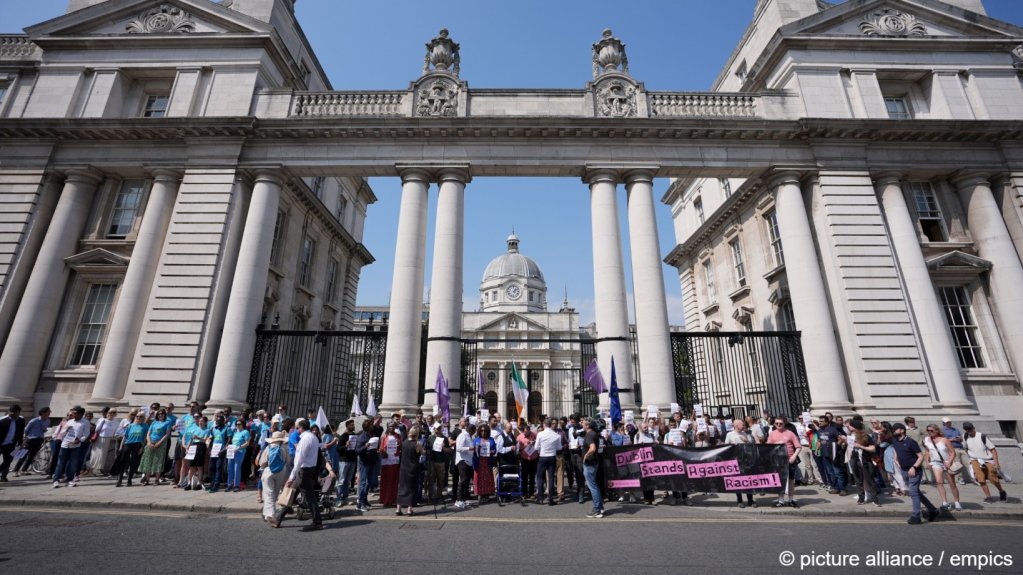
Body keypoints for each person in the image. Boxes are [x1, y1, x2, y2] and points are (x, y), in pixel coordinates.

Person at [283, 418, 328, 531]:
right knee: (294, 492)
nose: (297, 430)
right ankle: (279, 517)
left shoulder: (304, 439)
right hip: (310, 470)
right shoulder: (314, 438)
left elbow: (299, 460)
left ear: (301, 428)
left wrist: (291, 477)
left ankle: (317, 522)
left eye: (298, 428)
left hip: (303, 471)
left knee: (309, 497)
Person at [891, 423, 939, 525]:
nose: (894, 431)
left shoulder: (911, 442)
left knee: (913, 492)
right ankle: (933, 510)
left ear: (902, 430)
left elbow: (920, 456)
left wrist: (914, 467)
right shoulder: (895, 440)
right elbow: (895, 449)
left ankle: (916, 516)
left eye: (896, 429)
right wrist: (895, 459)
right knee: (916, 492)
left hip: (914, 471)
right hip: (903, 470)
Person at [961, 422, 1008, 503]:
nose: (970, 432)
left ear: (974, 428)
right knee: (981, 479)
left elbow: (993, 450)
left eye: (971, 429)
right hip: (974, 460)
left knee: (993, 478)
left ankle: (1002, 492)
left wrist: (996, 462)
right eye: (967, 430)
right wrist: (971, 459)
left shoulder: (982, 436)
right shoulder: (965, 436)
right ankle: (988, 497)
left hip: (987, 460)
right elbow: (966, 448)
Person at [923, 423, 962, 511]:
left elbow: (952, 452)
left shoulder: (944, 440)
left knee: (952, 484)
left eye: (931, 430)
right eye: (928, 430)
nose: (929, 432)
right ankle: (945, 502)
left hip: (946, 463)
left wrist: (949, 462)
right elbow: (927, 451)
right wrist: (927, 462)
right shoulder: (926, 439)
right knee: (939, 482)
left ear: (936, 431)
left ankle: (957, 502)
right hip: (936, 463)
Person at [768, 416, 802, 508]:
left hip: (790, 460)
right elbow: (768, 447)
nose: (778, 425)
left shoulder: (790, 433)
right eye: (777, 423)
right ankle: (781, 500)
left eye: (780, 423)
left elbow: (798, 447)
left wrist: (794, 457)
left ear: (784, 423)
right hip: (778, 461)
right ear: (774, 424)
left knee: (791, 480)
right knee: (779, 481)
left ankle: (791, 500)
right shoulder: (772, 434)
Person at [52, 406, 89, 488]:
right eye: (73, 413)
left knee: (73, 464)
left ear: (80, 414)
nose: (73, 415)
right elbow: (62, 433)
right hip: (65, 444)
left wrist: (79, 440)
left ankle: (70, 480)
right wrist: (66, 429)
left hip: (75, 445)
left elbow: (86, 434)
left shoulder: (85, 423)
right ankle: (56, 480)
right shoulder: (70, 422)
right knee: (60, 463)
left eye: (75, 413)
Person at [725, 419, 757, 508]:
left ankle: (750, 500)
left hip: (746, 461)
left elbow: (751, 446)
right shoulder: (730, 434)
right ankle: (739, 500)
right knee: (737, 481)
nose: (743, 426)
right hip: (735, 461)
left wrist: (746, 441)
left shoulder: (744, 434)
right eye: (742, 424)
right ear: (736, 425)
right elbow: (726, 447)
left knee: (748, 481)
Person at [261, 431, 291, 526]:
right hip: (281, 471)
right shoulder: (284, 448)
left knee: (268, 492)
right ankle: (268, 513)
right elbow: (288, 460)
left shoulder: (268, 447)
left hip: (269, 471)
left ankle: (270, 514)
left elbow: (262, 462)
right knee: (275, 492)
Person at [849, 420, 881, 506]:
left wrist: (860, 446)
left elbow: (873, 448)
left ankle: (875, 499)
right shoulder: (851, 436)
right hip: (854, 459)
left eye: (850, 425)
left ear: (854, 427)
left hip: (864, 460)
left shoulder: (865, 436)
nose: (849, 427)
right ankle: (861, 498)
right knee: (858, 480)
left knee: (869, 480)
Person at [13, 407, 49, 476]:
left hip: (39, 439)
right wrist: (25, 439)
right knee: (23, 455)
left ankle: (24, 470)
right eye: (48, 412)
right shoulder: (34, 421)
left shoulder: (48, 421)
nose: (49, 413)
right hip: (31, 439)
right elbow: (26, 430)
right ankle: (16, 470)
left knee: (32, 456)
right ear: (43, 413)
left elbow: (44, 429)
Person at [139, 409, 172, 485]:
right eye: (159, 414)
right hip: (151, 442)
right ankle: (147, 479)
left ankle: (157, 479)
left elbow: (167, 434)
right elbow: (148, 433)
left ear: (164, 415)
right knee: (148, 460)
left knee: (158, 461)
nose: (160, 415)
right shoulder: (154, 422)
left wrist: (159, 443)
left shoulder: (167, 422)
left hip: (161, 443)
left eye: (162, 414)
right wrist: (149, 442)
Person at [115, 412, 148, 487]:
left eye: (141, 416)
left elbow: (145, 437)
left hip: (137, 445)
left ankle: (129, 479)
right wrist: (121, 447)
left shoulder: (145, 426)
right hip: (128, 444)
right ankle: (119, 479)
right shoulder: (130, 426)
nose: (138, 418)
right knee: (123, 461)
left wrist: (142, 447)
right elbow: (125, 436)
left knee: (133, 462)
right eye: (137, 416)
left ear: (143, 418)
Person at [354, 419, 380, 513]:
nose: (372, 426)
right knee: (363, 483)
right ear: (367, 426)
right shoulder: (362, 437)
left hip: (371, 461)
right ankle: (360, 503)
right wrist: (365, 446)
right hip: (364, 463)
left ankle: (364, 499)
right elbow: (357, 451)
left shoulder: (370, 435)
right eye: (371, 425)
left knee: (369, 482)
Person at [397, 426, 424, 515]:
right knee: (411, 488)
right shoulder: (417, 444)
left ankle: (398, 509)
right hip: (413, 468)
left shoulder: (404, 442)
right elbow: (423, 452)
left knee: (402, 488)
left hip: (403, 468)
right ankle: (409, 509)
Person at [533, 418, 560, 505]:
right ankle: (550, 499)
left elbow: (536, 447)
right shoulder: (556, 435)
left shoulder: (540, 434)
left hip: (543, 456)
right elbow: (559, 448)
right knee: (551, 478)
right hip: (552, 456)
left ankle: (540, 498)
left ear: (544, 424)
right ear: (550, 424)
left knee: (540, 477)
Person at [582, 418, 604, 518]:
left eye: (583, 423)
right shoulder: (593, 434)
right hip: (593, 463)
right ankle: (600, 506)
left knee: (593, 487)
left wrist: (586, 456)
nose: (581, 424)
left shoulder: (589, 435)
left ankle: (597, 509)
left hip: (590, 464)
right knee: (595, 485)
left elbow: (593, 448)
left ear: (588, 425)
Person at [941, 417, 973, 485]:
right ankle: (960, 478)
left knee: (969, 463)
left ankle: (974, 477)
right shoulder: (942, 431)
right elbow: (942, 440)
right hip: (953, 448)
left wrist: (959, 439)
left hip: (960, 447)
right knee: (958, 464)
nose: (949, 423)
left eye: (949, 422)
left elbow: (961, 438)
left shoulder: (956, 429)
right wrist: (952, 439)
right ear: (944, 423)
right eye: (947, 422)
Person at [89, 408, 118, 476]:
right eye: (110, 412)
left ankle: (100, 469)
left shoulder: (116, 421)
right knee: (96, 454)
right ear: (107, 413)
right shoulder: (102, 420)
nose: (112, 414)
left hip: (109, 439)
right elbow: (96, 429)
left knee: (103, 456)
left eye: (114, 413)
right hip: (100, 439)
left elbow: (117, 430)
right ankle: (90, 469)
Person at [378, 423, 402, 507]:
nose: (392, 428)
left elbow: (401, 446)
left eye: (393, 427)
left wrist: (399, 445)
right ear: (387, 428)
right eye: (390, 427)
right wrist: (384, 452)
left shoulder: (398, 436)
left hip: (395, 461)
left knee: (394, 481)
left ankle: (393, 499)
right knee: (386, 481)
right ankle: (386, 500)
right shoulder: (384, 437)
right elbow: (381, 448)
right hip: (386, 462)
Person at [0, 405, 25, 482]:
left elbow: (21, 432)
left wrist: (21, 443)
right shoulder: (2, 420)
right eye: (12, 412)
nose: (14, 414)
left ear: (18, 413)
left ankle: (3, 476)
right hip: (0, 444)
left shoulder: (21, 420)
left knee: (8, 461)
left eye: (16, 413)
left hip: (11, 444)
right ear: (9, 412)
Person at [473, 423, 497, 503]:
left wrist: (492, 451)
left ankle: (486, 494)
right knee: (479, 478)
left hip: (487, 462)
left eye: (485, 430)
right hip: (479, 462)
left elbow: (495, 450)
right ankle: (480, 494)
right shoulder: (476, 440)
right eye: (482, 430)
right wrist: (477, 449)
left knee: (487, 478)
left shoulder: (491, 439)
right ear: (479, 431)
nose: (483, 432)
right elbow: (473, 450)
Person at [454, 420, 475, 509]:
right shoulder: (462, 436)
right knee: (463, 480)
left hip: (468, 461)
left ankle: (464, 499)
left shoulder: (469, 436)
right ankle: (458, 500)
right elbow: (458, 448)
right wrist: (469, 448)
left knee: (467, 481)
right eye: (474, 431)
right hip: (462, 460)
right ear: (471, 430)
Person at [206, 412, 230, 492]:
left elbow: (229, 440)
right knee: (211, 467)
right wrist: (209, 449)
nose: (218, 422)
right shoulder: (213, 429)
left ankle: (216, 484)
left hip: (221, 450)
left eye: (220, 421)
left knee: (218, 467)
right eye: (217, 421)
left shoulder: (226, 428)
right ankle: (212, 483)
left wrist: (223, 450)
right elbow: (211, 439)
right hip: (213, 450)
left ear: (223, 421)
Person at [336, 419, 357, 505]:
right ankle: (338, 498)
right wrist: (345, 445)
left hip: (352, 460)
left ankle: (345, 497)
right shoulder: (343, 436)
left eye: (353, 425)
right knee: (341, 480)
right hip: (344, 461)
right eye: (351, 425)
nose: (353, 426)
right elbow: (338, 449)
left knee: (347, 481)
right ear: (347, 426)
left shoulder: (354, 435)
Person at [227, 418, 251, 492]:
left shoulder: (245, 432)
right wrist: (229, 447)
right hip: (232, 452)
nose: (237, 425)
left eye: (239, 424)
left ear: (243, 424)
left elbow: (247, 443)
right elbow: (233, 442)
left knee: (237, 468)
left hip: (240, 452)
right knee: (230, 468)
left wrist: (238, 447)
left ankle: (236, 485)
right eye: (236, 424)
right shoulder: (235, 432)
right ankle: (229, 484)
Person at [516, 422, 537, 500]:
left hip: (533, 458)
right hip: (524, 459)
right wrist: (523, 447)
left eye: (528, 432)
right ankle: (524, 493)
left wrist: (534, 443)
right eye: (525, 432)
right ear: (523, 431)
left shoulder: (534, 435)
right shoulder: (519, 437)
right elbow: (517, 450)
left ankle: (531, 493)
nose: (526, 434)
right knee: (524, 477)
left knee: (532, 477)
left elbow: (538, 444)